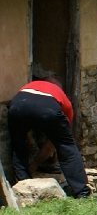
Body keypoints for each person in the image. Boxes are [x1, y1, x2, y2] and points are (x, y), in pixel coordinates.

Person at [7, 67, 90, 199]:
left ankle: (22, 183)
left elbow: (26, 114)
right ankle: (81, 191)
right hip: (47, 109)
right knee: (66, 148)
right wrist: (35, 164)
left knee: (18, 146)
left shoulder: (30, 86)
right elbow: (50, 146)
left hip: (18, 105)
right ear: (60, 89)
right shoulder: (63, 99)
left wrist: (29, 141)